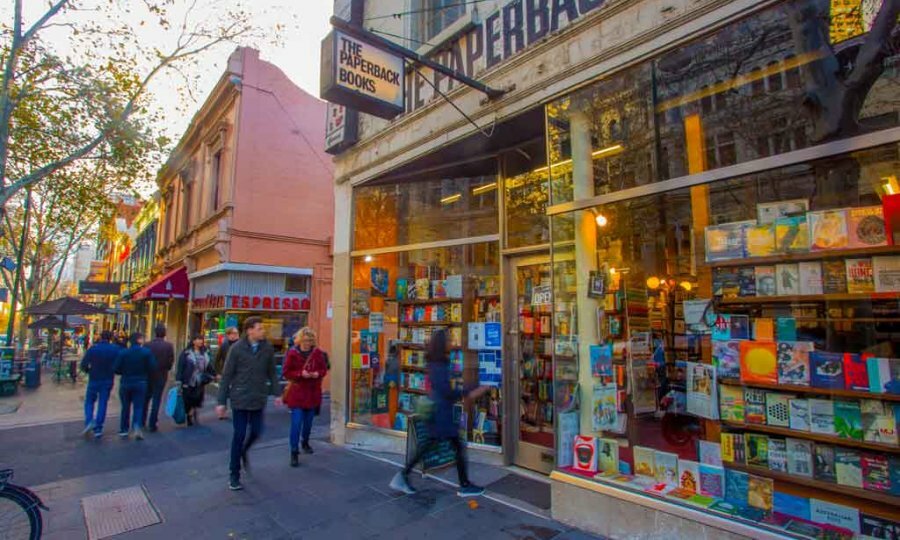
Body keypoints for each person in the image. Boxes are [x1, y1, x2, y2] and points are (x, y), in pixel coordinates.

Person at [389, 329, 487, 497]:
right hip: (442, 414)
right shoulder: (439, 364)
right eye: (448, 340)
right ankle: (464, 485)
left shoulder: (435, 362)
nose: (450, 343)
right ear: (442, 344)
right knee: (456, 447)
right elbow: (446, 391)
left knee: (430, 446)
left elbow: (443, 389)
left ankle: (403, 476)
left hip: (439, 412)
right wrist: (470, 391)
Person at [216, 317, 279, 491]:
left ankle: (245, 450)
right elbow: (227, 375)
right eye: (259, 329)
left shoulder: (267, 348)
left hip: (258, 397)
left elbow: (272, 372)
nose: (263, 331)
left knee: (257, 431)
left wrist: (277, 393)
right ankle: (234, 474)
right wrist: (221, 402)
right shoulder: (236, 349)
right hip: (240, 398)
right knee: (239, 434)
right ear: (250, 330)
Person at [280, 327, 328, 467]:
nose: (307, 343)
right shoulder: (293, 353)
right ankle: (294, 451)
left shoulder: (317, 353)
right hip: (298, 392)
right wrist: (301, 374)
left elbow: (323, 369)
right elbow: (286, 372)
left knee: (308, 423)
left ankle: (305, 441)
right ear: (300, 340)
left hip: (312, 392)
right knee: (296, 423)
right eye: (305, 340)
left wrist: (316, 374)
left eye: (310, 341)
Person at [114, 332, 156, 440]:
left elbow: (116, 368)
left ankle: (124, 429)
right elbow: (153, 367)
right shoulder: (146, 352)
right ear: (139, 340)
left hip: (126, 381)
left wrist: (124, 372)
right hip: (141, 382)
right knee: (138, 406)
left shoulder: (123, 353)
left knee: (125, 407)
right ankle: (136, 425)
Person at [79, 330, 120, 439]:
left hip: (94, 378)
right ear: (110, 338)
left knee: (89, 401)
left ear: (100, 337)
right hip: (107, 379)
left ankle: (89, 421)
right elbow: (118, 364)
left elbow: (83, 365)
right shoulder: (115, 349)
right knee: (103, 403)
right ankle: (98, 428)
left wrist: (89, 371)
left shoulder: (93, 349)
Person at [176, 334, 216, 426]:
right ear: (193, 341)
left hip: (200, 380)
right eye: (198, 339)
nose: (200, 341)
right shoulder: (186, 353)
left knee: (197, 398)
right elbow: (181, 367)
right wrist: (178, 380)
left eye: (201, 339)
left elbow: (209, 365)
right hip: (188, 380)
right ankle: (189, 414)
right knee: (188, 399)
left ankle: (192, 413)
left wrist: (215, 374)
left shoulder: (205, 353)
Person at [143, 324, 175, 432]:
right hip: (161, 375)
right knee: (157, 399)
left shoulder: (147, 345)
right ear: (164, 333)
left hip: (147, 375)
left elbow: (143, 360)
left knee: (146, 399)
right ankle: (153, 423)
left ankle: (142, 420)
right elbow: (170, 362)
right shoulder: (168, 346)